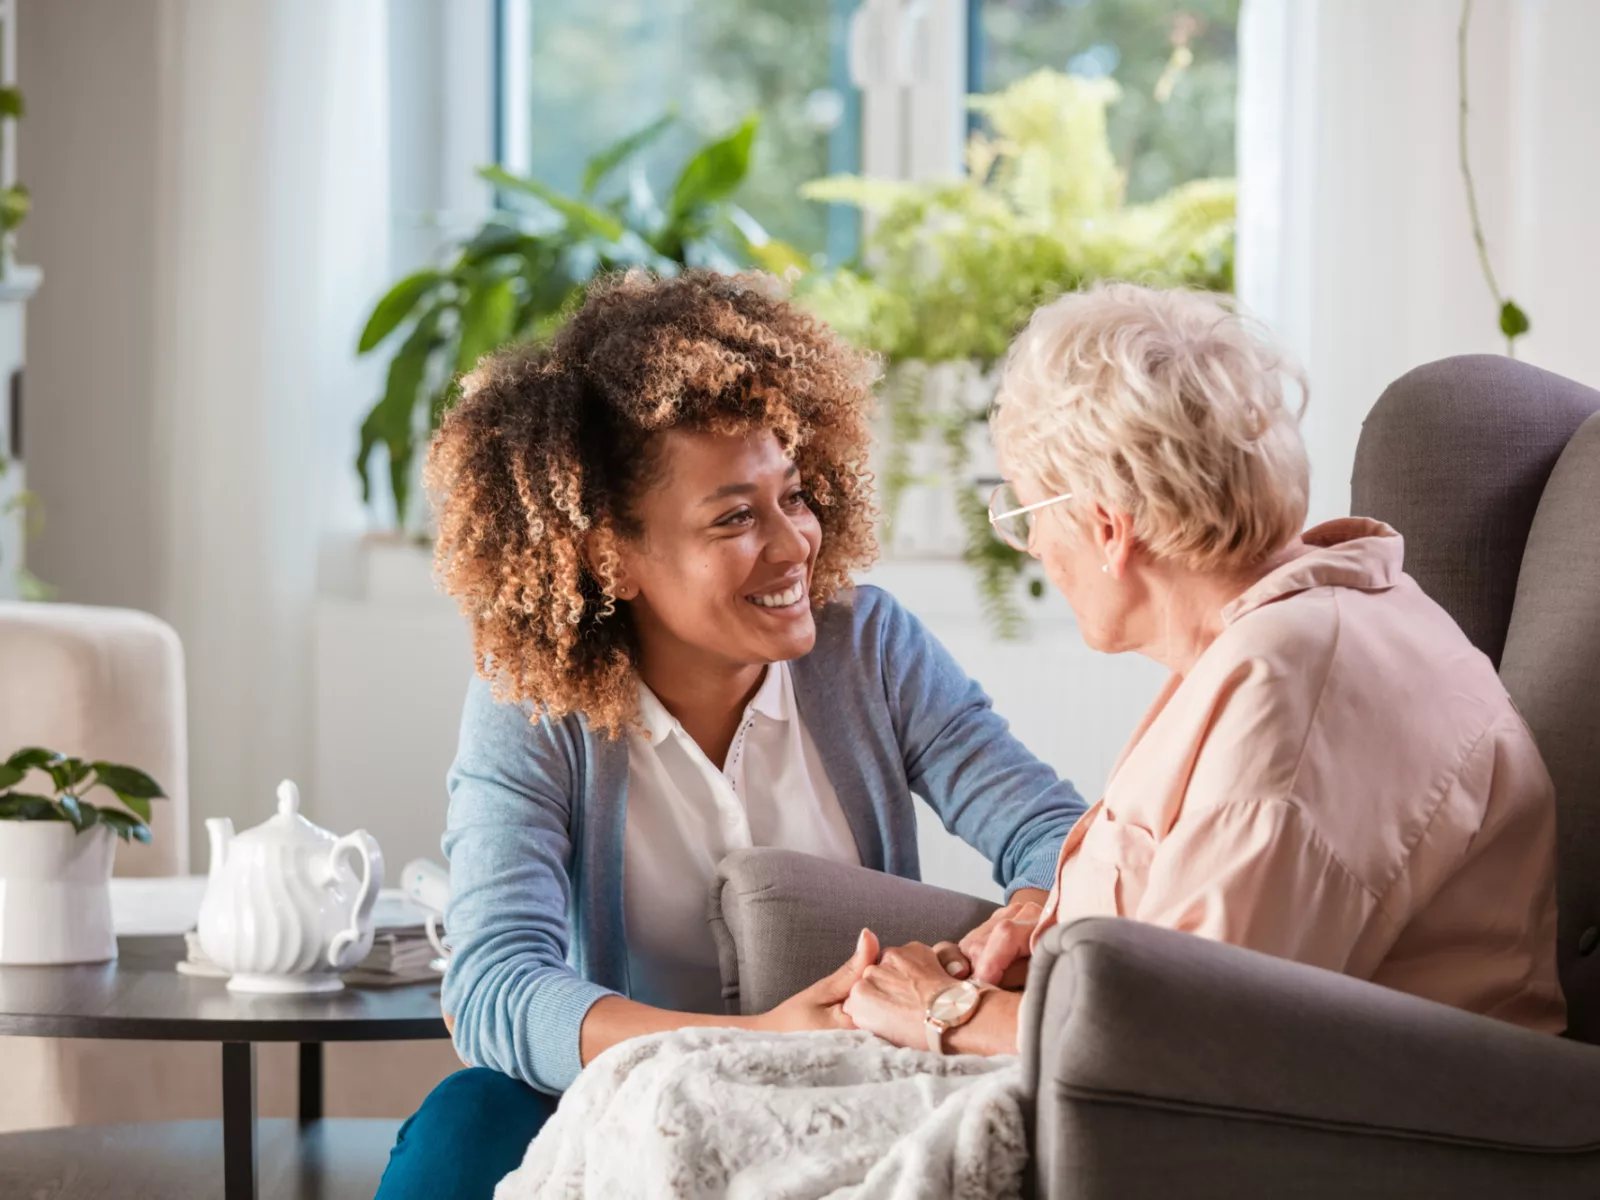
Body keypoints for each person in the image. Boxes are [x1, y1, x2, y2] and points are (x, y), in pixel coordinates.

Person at [375, 269, 1087, 1199]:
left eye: (793, 495)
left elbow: (1054, 832)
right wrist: (754, 1041)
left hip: (846, 1089)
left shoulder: (868, 647)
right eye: (736, 518)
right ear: (610, 556)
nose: (795, 545)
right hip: (625, 1098)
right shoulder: (534, 706)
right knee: (467, 1123)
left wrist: (1032, 910)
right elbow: (497, 986)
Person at [841, 282, 1567, 1056]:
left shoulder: (1292, 688)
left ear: (1107, 526)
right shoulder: (1295, 628)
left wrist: (947, 1011)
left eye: (1024, 516)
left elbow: (1189, 1046)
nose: (1038, 551)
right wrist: (1055, 936)